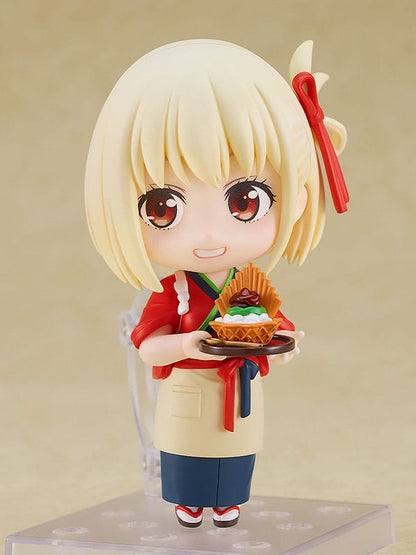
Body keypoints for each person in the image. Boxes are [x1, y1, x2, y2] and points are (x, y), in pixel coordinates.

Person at [85, 39, 347, 528]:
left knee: (237, 454)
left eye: (245, 201)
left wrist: (285, 344)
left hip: (241, 390)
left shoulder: (250, 283)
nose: (208, 235)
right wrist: (188, 344)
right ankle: (187, 502)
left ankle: (229, 501)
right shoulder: (175, 291)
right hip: (188, 385)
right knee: (186, 453)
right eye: (163, 208)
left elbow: (273, 326)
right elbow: (148, 348)